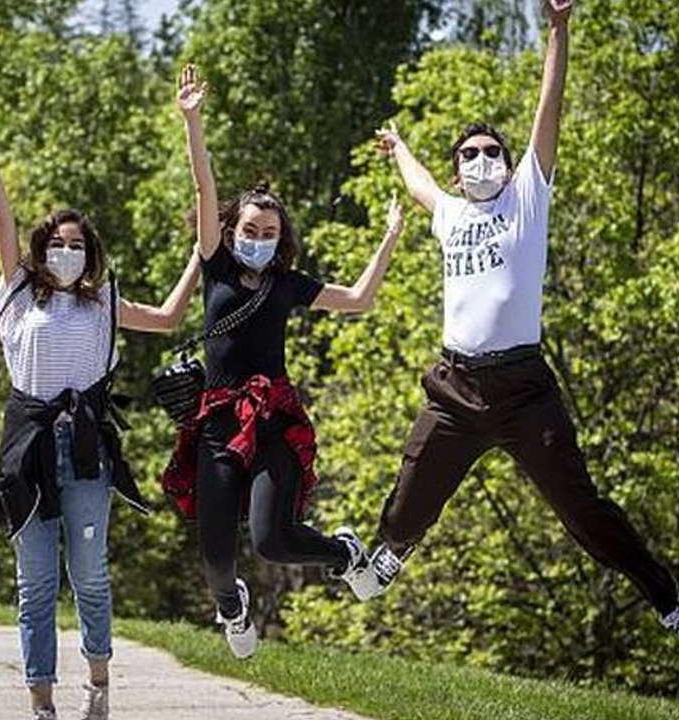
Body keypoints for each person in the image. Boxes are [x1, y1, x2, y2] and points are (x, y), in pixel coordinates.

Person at [369, 0, 679, 665]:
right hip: (456, 385)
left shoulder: (526, 197)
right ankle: (390, 552)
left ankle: (672, 605)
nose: (481, 160)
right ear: (457, 169)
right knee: (409, 497)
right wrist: (401, 148)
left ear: (506, 161)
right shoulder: (450, 216)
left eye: (490, 152)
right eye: (469, 154)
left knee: (583, 512)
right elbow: (417, 184)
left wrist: (558, 30)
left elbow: (546, 111)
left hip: (525, 390)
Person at [0, 107, 201, 720]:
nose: (66, 252)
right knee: (35, 585)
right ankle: (40, 700)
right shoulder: (15, 292)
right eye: (57, 244)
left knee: (89, 576)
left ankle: (99, 684)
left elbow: (167, 317)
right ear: (42, 250)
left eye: (77, 245)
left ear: (90, 255)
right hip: (28, 450)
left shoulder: (105, 302)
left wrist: (201, 253)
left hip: (87, 453)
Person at [162, 64, 407, 659]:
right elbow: (203, 188)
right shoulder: (216, 264)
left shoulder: (287, 283)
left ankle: (343, 553)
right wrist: (193, 121)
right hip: (218, 424)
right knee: (218, 557)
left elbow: (359, 300)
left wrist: (391, 236)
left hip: (274, 421)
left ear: (280, 237)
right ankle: (232, 607)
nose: (259, 236)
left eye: (269, 230)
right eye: (250, 227)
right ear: (231, 230)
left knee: (273, 540)